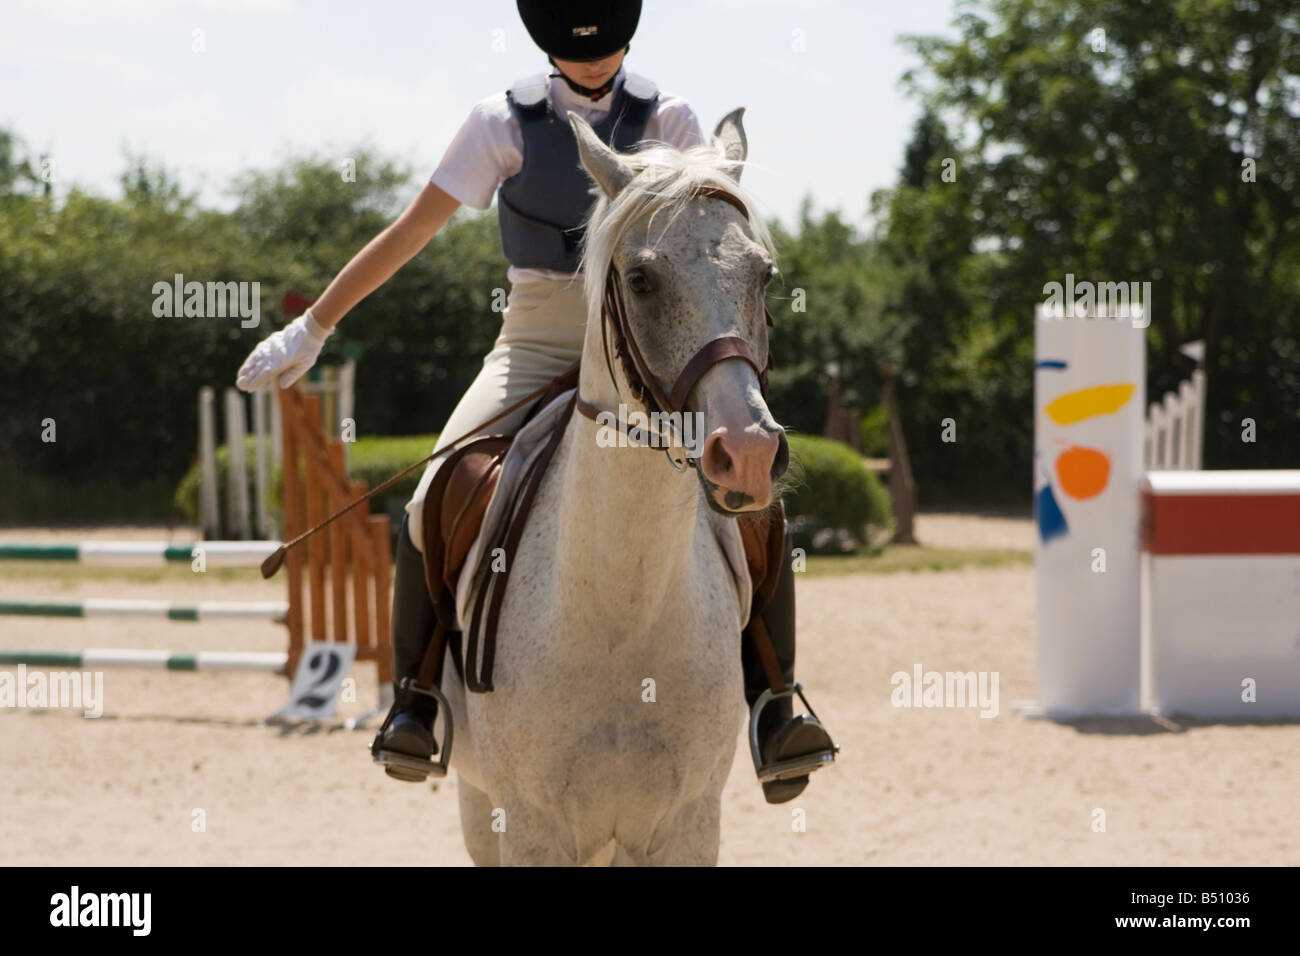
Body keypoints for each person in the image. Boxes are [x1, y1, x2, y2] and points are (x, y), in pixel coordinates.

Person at [236, 0, 835, 804]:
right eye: (572, 52)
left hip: (656, 334)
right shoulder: (499, 124)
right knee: (430, 496)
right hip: (539, 337)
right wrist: (315, 325)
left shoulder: (673, 117)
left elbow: (712, 241)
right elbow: (413, 230)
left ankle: (773, 705)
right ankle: (417, 700)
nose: (591, 65)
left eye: (606, 50)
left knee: (750, 482)